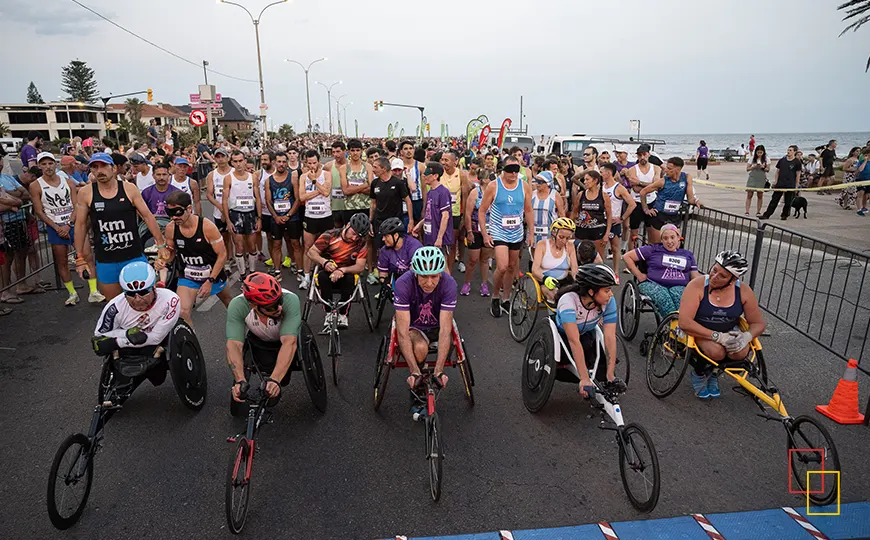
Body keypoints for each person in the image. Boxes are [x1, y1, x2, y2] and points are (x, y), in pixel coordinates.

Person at [74, 153, 168, 300]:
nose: (99, 171)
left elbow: (148, 217)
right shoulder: (86, 193)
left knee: (144, 302)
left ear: (113, 168)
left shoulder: (129, 189)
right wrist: (79, 257)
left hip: (133, 256)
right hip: (106, 259)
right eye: (95, 167)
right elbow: (80, 226)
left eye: (104, 166)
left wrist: (161, 244)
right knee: (116, 306)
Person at [678, 250, 765, 399]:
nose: (714, 276)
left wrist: (746, 336)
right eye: (714, 270)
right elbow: (685, 322)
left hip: (728, 329)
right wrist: (717, 336)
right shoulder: (697, 285)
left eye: (722, 276)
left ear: (733, 280)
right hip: (699, 329)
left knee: (740, 352)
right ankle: (699, 373)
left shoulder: (743, 291)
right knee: (716, 352)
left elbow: (758, 322)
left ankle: (712, 372)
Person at [90, 261, 181, 392]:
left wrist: (123, 339)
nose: (137, 299)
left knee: (158, 378)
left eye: (143, 292)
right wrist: (127, 335)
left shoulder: (170, 300)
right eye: (131, 294)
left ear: (154, 288)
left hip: (158, 346)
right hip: (127, 351)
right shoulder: (114, 307)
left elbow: (155, 338)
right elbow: (99, 340)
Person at [30, 152, 101, 305]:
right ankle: (72, 293)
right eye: (44, 164)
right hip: (54, 226)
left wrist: (68, 224)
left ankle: (93, 291)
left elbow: (77, 205)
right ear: (39, 166)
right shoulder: (35, 186)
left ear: (55, 164)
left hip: (72, 223)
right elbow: (39, 211)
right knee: (62, 261)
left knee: (87, 255)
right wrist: (56, 227)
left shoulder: (68, 182)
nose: (48, 167)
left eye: (50, 163)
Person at [226, 272, 301, 404]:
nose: (279, 308)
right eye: (272, 306)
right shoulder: (237, 305)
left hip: (284, 342)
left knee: (282, 379)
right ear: (253, 305)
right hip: (259, 342)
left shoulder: (291, 300)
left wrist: (275, 379)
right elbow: (234, 344)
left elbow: (289, 342)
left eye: (279, 301)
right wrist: (240, 380)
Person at [157, 191, 231, 324]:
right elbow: (171, 253)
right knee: (182, 312)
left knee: (229, 304)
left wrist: (210, 280)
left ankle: (246, 333)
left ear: (189, 209)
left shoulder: (207, 227)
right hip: (188, 276)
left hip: (212, 274)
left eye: (178, 212)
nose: (174, 217)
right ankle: (191, 343)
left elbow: (222, 255)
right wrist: (162, 261)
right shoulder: (171, 228)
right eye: (170, 213)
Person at [393, 246, 457, 401]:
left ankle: (432, 374)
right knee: (421, 348)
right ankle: (418, 385)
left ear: (441, 273)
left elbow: (444, 331)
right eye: (423, 276)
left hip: (437, 324)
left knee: (448, 339)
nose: (429, 282)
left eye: (434, 276)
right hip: (414, 326)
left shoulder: (449, 284)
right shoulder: (403, 283)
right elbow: (402, 332)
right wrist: (414, 372)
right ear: (415, 272)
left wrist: (439, 371)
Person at [554, 264, 623, 398]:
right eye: (607, 290)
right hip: (562, 337)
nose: (611, 294)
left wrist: (610, 375)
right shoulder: (568, 301)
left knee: (590, 346)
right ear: (591, 292)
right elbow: (574, 341)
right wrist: (584, 378)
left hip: (586, 334)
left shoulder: (609, 302)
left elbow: (609, 337)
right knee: (577, 347)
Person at [479, 156, 534, 317]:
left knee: (511, 267)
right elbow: (482, 211)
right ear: (503, 170)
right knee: (502, 266)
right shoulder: (494, 186)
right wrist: (485, 233)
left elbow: (529, 210)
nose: (513, 174)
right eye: (510, 170)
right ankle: (495, 296)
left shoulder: (524, 186)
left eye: (516, 170)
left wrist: (531, 232)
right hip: (498, 230)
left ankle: (506, 298)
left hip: (516, 231)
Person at [306, 213, 369, 330]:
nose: (355, 238)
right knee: (322, 278)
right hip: (327, 270)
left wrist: (343, 270)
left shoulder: (362, 242)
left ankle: (343, 314)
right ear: (348, 225)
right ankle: (329, 313)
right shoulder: (330, 235)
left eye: (358, 237)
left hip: (346, 272)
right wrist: (324, 262)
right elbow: (311, 252)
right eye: (354, 234)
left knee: (350, 279)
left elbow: (360, 266)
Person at [622, 223, 700, 318]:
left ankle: (681, 325)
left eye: (672, 237)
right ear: (661, 240)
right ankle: (672, 325)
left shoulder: (687, 254)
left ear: (678, 237)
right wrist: (639, 275)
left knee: (680, 298)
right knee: (664, 298)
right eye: (665, 238)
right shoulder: (653, 249)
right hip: (653, 284)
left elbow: (695, 276)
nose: (669, 241)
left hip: (679, 285)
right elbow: (627, 256)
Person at [640, 157, 702, 243]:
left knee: (672, 245)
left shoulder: (686, 178)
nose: (666, 170)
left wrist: (696, 201)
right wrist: (646, 209)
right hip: (659, 215)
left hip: (674, 216)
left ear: (678, 169)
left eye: (669, 169)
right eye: (666, 167)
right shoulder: (662, 181)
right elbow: (643, 192)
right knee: (656, 246)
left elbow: (690, 198)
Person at [221, 150, 262, 277]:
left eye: (240, 161)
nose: (238, 164)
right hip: (235, 214)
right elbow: (225, 200)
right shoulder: (228, 178)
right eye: (235, 161)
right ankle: (243, 274)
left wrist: (259, 218)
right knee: (239, 246)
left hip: (250, 214)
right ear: (232, 162)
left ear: (245, 161)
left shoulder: (252, 177)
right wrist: (228, 220)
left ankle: (253, 273)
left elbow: (258, 198)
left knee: (251, 245)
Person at [265, 152, 303, 281]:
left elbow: (298, 199)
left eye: (283, 162)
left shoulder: (292, 178)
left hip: (292, 217)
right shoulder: (268, 180)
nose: (281, 164)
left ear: (287, 163)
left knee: (295, 243)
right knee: (276, 244)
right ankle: (277, 271)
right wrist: (275, 216)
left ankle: (300, 270)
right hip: (276, 217)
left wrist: (288, 215)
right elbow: (268, 201)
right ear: (275, 163)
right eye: (279, 162)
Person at [299, 149, 333, 290]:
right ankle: (306, 277)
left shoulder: (327, 174)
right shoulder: (303, 177)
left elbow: (326, 192)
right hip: (310, 216)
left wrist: (314, 182)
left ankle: (326, 274)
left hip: (325, 216)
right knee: (308, 247)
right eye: (309, 163)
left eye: (314, 163)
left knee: (327, 247)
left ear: (319, 162)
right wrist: (318, 190)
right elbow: (302, 197)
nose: (312, 166)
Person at [369, 156, 412, 258]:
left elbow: (408, 201)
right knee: (380, 247)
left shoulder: (398, 183)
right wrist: (370, 221)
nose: (373, 170)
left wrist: (411, 220)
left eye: (375, 167)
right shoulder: (375, 183)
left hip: (395, 222)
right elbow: (373, 203)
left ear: (383, 168)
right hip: (379, 221)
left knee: (396, 247)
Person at [460, 166, 493, 297]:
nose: (492, 180)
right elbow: (467, 214)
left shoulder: (494, 192)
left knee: (485, 259)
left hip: (489, 230)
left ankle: (484, 284)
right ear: (484, 180)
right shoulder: (475, 193)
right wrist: (469, 231)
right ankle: (467, 283)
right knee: (473, 259)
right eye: (490, 178)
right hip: (475, 229)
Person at [623, 144, 661, 254]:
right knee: (634, 234)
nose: (642, 157)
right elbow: (635, 189)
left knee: (652, 233)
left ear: (649, 154)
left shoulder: (656, 168)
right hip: (637, 202)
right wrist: (651, 185)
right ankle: (632, 258)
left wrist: (640, 183)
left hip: (651, 202)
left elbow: (657, 184)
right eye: (639, 155)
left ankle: (649, 258)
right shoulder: (632, 169)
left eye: (644, 154)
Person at [600, 162, 635, 277]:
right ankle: (602, 271)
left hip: (614, 222)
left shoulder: (619, 188)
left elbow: (632, 204)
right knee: (601, 248)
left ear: (608, 173)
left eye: (602, 172)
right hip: (601, 221)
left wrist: (622, 218)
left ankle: (615, 272)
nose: (600, 174)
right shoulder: (600, 186)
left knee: (615, 248)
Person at [531, 217, 578, 303]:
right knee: (554, 294)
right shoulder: (542, 245)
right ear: (554, 233)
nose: (564, 241)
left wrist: (577, 280)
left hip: (564, 281)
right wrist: (545, 279)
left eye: (567, 238)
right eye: (561, 237)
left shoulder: (570, 246)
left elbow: (574, 268)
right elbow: (534, 270)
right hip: (545, 281)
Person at [573, 170, 612, 262]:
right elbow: (574, 213)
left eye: (587, 179)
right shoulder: (581, 195)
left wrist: (607, 234)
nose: (585, 182)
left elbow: (609, 216)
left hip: (598, 230)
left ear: (595, 181)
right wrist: (571, 229)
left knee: (599, 257)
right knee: (579, 255)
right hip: (582, 230)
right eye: (584, 180)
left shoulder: (604, 196)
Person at [415, 161, 453, 256]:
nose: (424, 176)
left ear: (435, 176)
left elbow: (445, 216)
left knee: (442, 265)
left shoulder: (443, 192)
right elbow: (430, 214)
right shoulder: (430, 192)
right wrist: (419, 225)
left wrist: (440, 238)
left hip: (438, 238)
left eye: (427, 174)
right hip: (429, 236)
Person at [440, 150, 468, 273]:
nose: (443, 162)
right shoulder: (439, 174)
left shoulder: (461, 175)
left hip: (455, 214)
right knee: (441, 244)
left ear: (454, 162)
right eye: (442, 160)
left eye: (446, 160)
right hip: (440, 214)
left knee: (451, 244)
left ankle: (449, 273)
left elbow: (465, 196)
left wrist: (464, 216)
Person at [760, 145, 802, 221]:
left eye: (790, 150)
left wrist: (797, 185)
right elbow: (777, 171)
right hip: (780, 183)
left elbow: (798, 174)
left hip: (790, 184)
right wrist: (776, 181)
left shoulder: (797, 162)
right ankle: (767, 214)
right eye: (788, 150)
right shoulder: (782, 160)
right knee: (774, 200)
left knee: (788, 201)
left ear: (794, 152)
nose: (788, 152)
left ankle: (784, 215)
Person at [377, 217, 422, 282]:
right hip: (396, 279)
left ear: (396, 235)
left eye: (386, 236)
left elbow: (414, 274)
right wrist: (385, 284)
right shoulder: (384, 250)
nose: (383, 239)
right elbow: (383, 275)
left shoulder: (414, 247)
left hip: (414, 281)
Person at [531, 171, 566, 248]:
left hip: (550, 232)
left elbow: (561, 214)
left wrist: (561, 232)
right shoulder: (532, 194)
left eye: (540, 182)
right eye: (536, 181)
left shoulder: (555, 195)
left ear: (548, 183)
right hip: (534, 232)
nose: (537, 184)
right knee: (535, 257)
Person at [326, 141, 349, 227]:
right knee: (336, 232)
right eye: (333, 152)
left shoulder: (351, 165)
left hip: (348, 206)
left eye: (338, 151)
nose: (335, 154)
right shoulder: (328, 166)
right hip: (334, 206)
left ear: (344, 151)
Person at [745, 145, 769, 216]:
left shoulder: (766, 159)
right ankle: (747, 211)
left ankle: (758, 211)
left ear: (763, 152)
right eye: (758, 152)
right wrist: (753, 166)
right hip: (753, 177)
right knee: (749, 194)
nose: (759, 154)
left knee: (760, 195)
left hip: (761, 178)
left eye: (761, 152)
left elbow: (768, 169)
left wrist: (763, 167)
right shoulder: (752, 158)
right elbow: (747, 169)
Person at [856, 148, 870, 216]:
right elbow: (860, 170)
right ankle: (859, 209)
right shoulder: (861, 162)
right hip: (861, 179)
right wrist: (865, 161)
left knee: (867, 195)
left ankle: (864, 207)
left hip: (868, 180)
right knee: (861, 193)